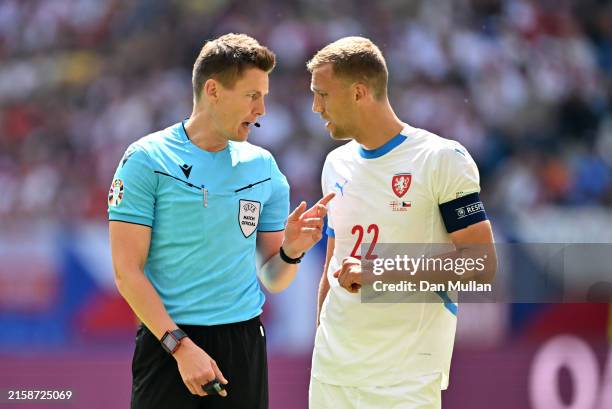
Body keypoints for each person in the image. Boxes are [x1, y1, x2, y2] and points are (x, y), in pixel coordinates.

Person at [108, 33, 333, 409]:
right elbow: (126, 272)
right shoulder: (146, 160)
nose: (261, 109)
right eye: (251, 96)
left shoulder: (264, 169)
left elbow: (274, 279)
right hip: (169, 342)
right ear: (213, 90)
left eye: (264, 96)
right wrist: (180, 348)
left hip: (243, 344)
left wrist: (292, 252)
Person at [307, 37, 496, 408]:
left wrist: (382, 272)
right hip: (332, 374)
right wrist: (322, 343)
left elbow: (482, 263)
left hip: (403, 379)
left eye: (323, 94)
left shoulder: (441, 159)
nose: (315, 107)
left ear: (359, 92)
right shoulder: (335, 165)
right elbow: (333, 264)